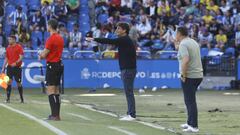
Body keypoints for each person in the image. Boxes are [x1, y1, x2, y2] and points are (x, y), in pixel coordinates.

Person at [86, 22, 137, 121]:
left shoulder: (124, 39)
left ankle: (132, 114)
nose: (116, 30)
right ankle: (130, 113)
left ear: (124, 30)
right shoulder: (124, 40)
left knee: (129, 92)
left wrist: (94, 39)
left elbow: (109, 41)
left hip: (128, 69)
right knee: (128, 91)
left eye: (118, 28)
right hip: (126, 69)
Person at [175, 26, 203, 133]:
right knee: (189, 100)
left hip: (190, 76)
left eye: (176, 33)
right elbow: (182, 51)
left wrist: (183, 74)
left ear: (180, 34)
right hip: (198, 75)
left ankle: (194, 126)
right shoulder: (192, 42)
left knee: (190, 101)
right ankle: (189, 122)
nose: (175, 35)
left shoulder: (183, 44)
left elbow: (185, 60)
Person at [39, 19, 64, 121]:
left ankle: (54, 115)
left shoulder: (51, 39)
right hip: (59, 64)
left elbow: (44, 54)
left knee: (50, 90)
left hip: (52, 65)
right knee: (57, 91)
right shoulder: (60, 38)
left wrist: (40, 55)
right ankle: (57, 114)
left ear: (49, 26)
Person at [1, 35, 24, 103]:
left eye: (10, 39)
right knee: (8, 82)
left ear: (14, 40)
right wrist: (3, 67)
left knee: (18, 83)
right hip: (10, 67)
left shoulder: (19, 47)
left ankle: (22, 99)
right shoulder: (8, 48)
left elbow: (21, 57)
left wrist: (16, 63)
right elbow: (7, 58)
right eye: (9, 39)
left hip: (17, 67)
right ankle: (8, 99)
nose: (9, 41)